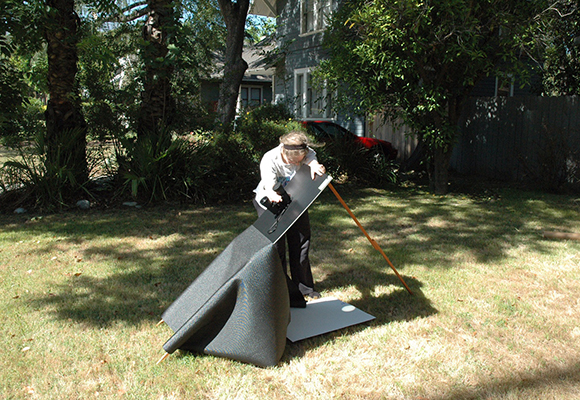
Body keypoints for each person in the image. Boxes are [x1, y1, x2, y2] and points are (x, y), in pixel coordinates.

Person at [253, 131, 326, 300]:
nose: (295, 164)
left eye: (299, 160)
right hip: (270, 200)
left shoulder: (304, 153)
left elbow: (311, 157)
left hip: (296, 199)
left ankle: (305, 288)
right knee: (276, 246)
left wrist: (314, 164)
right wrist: (272, 193)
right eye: (293, 161)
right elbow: (269, 184)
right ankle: (281, 290)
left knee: (301, 241)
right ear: (284, 152)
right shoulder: (270, 158)